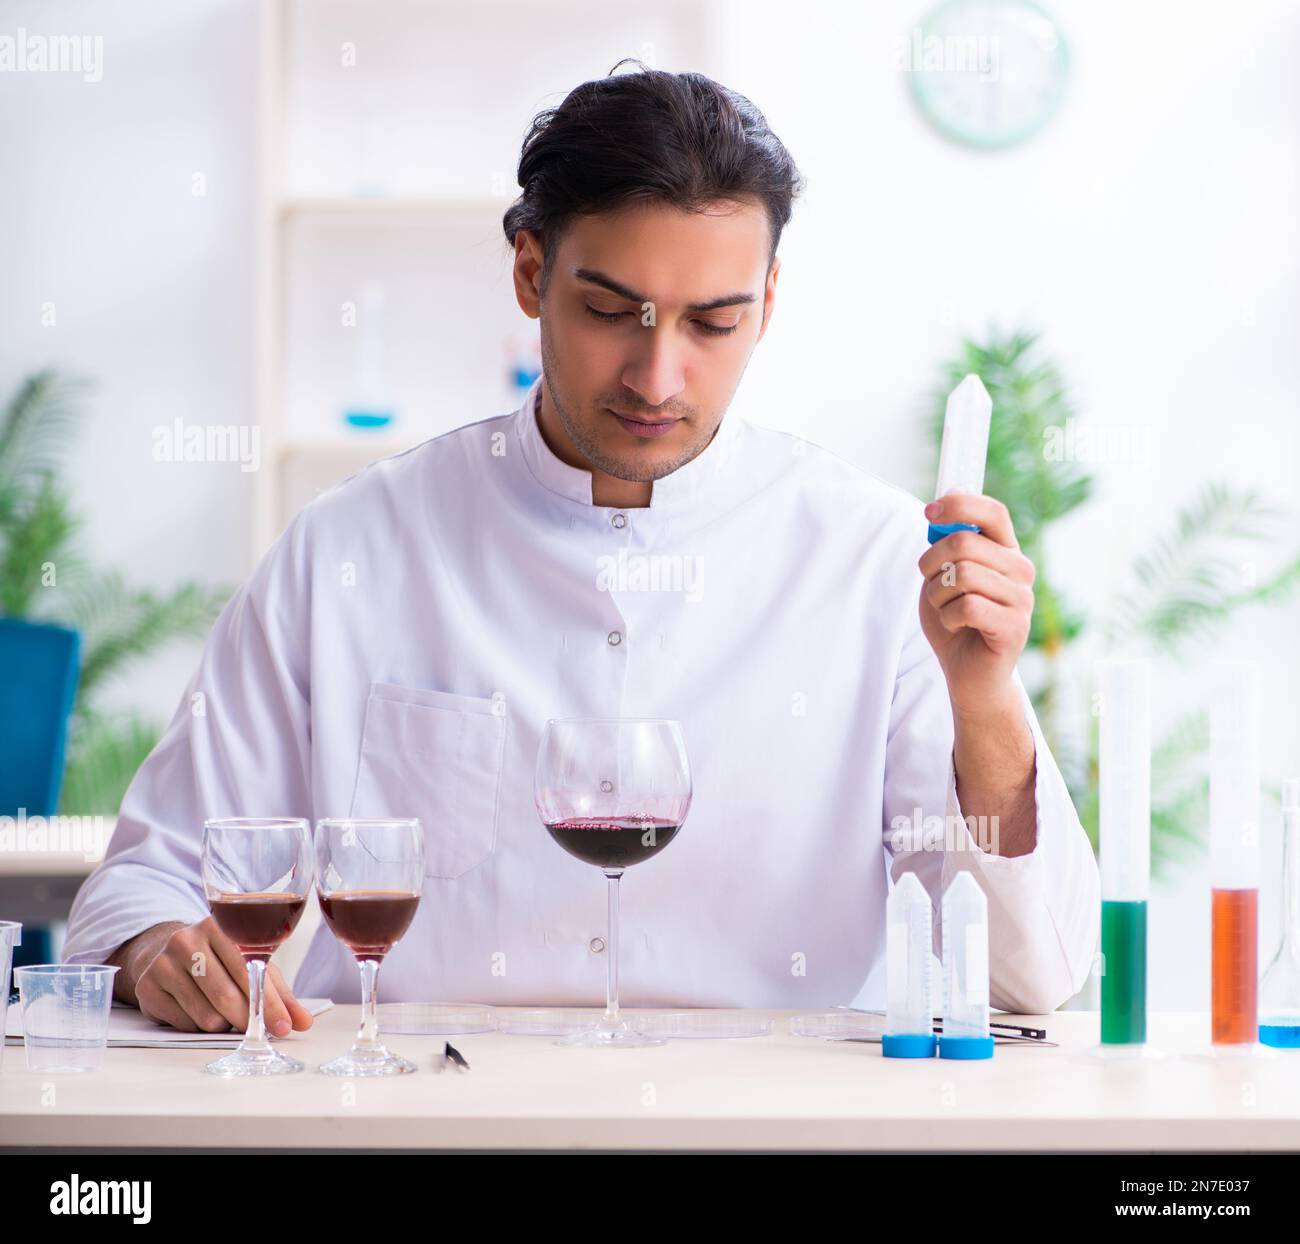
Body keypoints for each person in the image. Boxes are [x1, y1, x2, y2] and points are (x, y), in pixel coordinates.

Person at [63, 62, 1098, 1035]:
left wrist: (985, 700)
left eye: (713, 323)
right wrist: (161, 946)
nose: (658, 376)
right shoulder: (348, 549)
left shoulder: (873, 558)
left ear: (768, 303)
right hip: (427, 1120)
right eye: (611, 312)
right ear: (529, 272)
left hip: (768, 1126)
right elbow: (142, 884)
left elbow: (1029, 975)